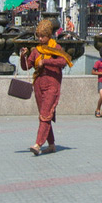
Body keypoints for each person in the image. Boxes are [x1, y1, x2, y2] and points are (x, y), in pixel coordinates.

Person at [19, 19, 73, 156]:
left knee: (45, 114)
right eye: (38, 36)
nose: (40, 38)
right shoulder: (36, 50)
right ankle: (52, 145)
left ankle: (38, 144)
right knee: (44, 115)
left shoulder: (56, 47)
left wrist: (46, 62)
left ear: (49, 35)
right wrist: (23, 56)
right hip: (38, 84)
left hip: (52, 84)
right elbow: (26, 66)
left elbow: (63, 61)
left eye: (43, 36)